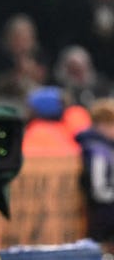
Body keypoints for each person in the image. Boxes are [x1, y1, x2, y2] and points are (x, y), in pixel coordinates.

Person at [75, 98, 114, 255]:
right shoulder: (97, 150)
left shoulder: (106, 147)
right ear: (103, 124)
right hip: (101, 213)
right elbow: (99, 189)